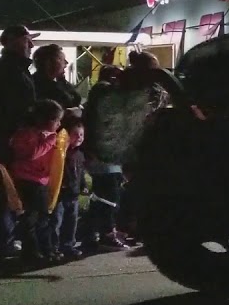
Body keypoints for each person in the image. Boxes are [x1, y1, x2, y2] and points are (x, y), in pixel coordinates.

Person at [83, 51, 175, 250]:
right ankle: (103, 233)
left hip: (130, 152)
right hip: (114, 151)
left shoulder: (149, 90)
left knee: (122, 193)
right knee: (109, 194)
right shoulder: (115, 90)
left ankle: (123, 229)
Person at [0, 24, 38, 261]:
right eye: (26, 40)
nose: (31, 45)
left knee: (13, 191)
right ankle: (3, 243)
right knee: (5, 192)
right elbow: (7, 109)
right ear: (10, 41)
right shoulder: (5, 70)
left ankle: (8, 240)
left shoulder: (18, 69)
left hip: (16, 140)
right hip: (7, 141)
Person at [9, 99, 65, 264]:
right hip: (27, 180)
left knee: (43, 218)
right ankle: (32, 252)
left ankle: (46, 250)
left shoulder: (48, 136)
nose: (59, 124)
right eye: (56, 120)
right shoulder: (27, 134)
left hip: (41, 181)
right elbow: (32, 153)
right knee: (33, 219)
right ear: (46, 120)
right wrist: (49, 141)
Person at [51, 112, 86, 259]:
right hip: (61, 194)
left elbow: (81, 173)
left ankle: (68, 245)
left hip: (74, 194)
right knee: (57, 221)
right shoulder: (61, 154)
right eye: (76, 134)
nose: (79, 138)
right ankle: (54, 247)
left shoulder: (79, 155)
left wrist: (83, 185)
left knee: (71, 222)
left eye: (82, 135)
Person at [32, 43, 82, 112]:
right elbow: (72, 101)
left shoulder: (37, 81)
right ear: (49, 62)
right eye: (62, 59)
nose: (66, 63)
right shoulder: (44, 87)